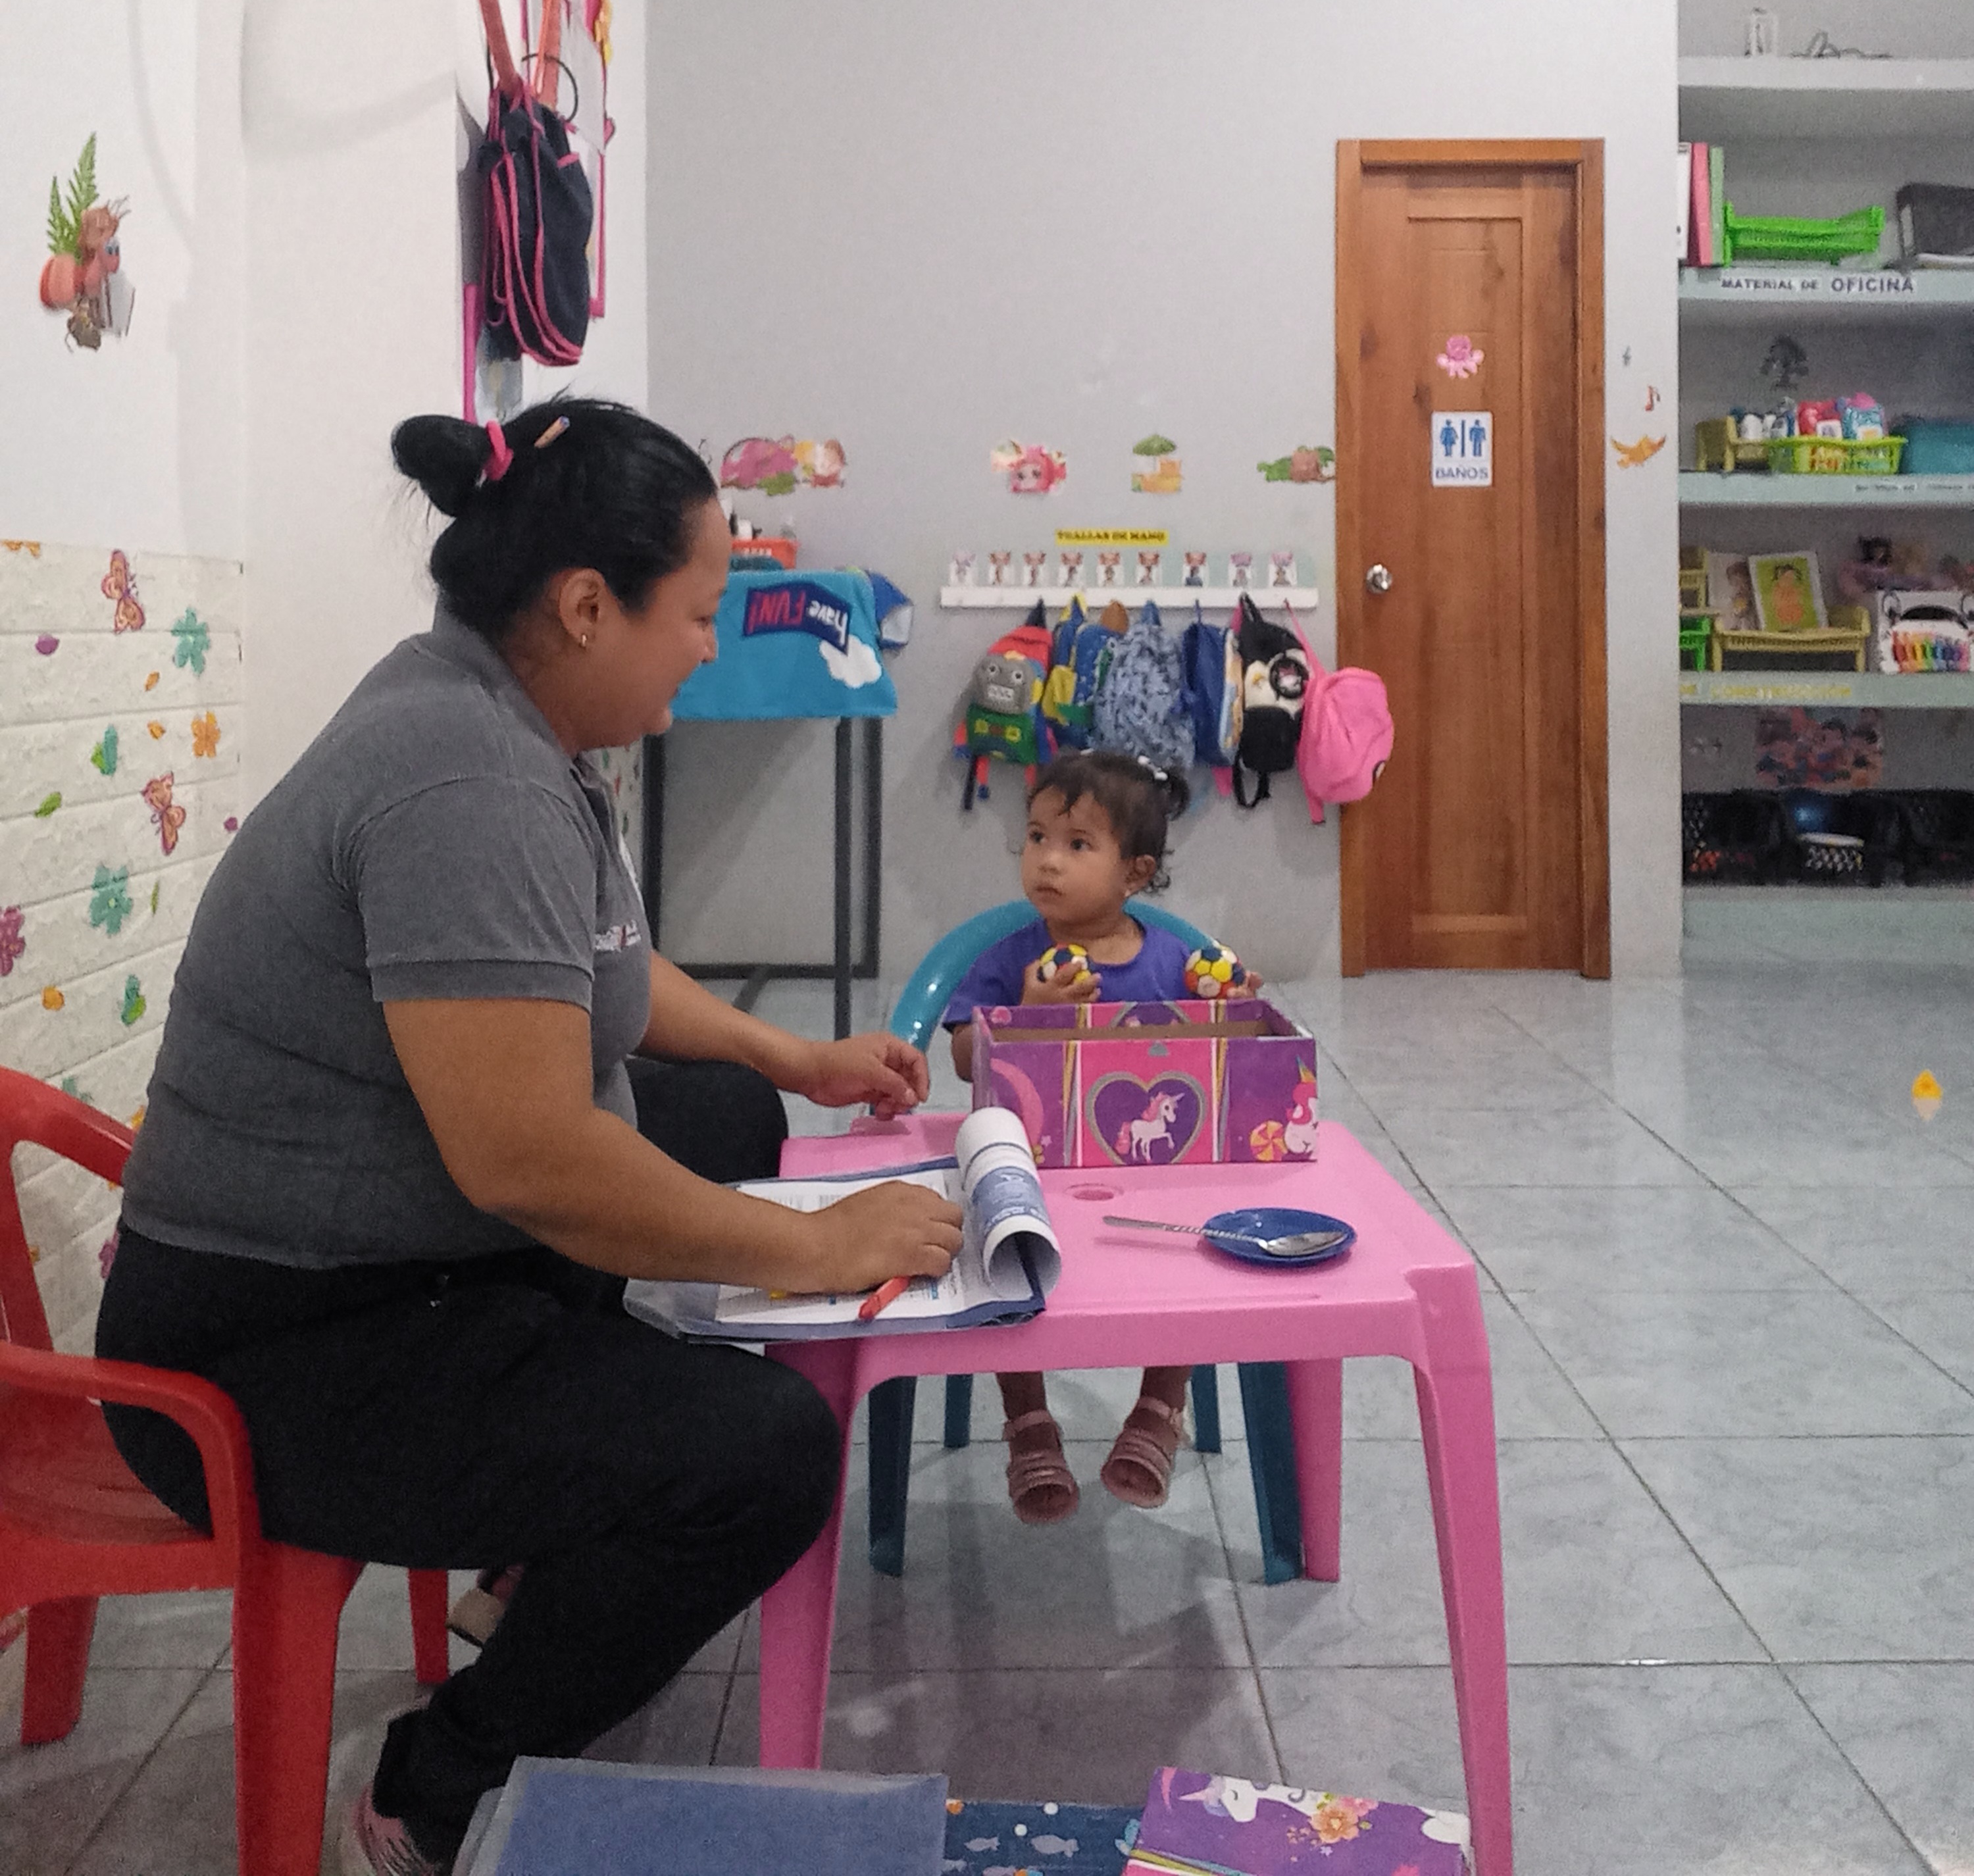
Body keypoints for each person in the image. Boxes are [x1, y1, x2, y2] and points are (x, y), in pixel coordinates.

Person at [93, 397, 962, 1876]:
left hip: (392, 1249)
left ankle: (525, 1557)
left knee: (725, 1107)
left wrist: (791, 1055)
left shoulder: (502, 709)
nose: (708, 647)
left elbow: (599, 968)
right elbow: (531, 1161)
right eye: (697, 613)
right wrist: (818, 1247)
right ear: (585, 606)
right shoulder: (466, 775)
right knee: (761, 1453)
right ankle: (436, 1785)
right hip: (274, 1347)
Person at [943, 749, 1261, 1525]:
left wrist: (1234, 1007)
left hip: (1152, 1178)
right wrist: (1024, 1013)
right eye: (1037, 837)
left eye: (1077, 844)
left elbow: (1220, 1058)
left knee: (1196, 1248)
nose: (1047, 860)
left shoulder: (1175, 964)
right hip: (1038, 1175)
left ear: (1134, 872)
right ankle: (1027, 1416)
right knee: (1005, 1247)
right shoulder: (1014, 958)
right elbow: (961, 1058)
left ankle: (1161, 1402)